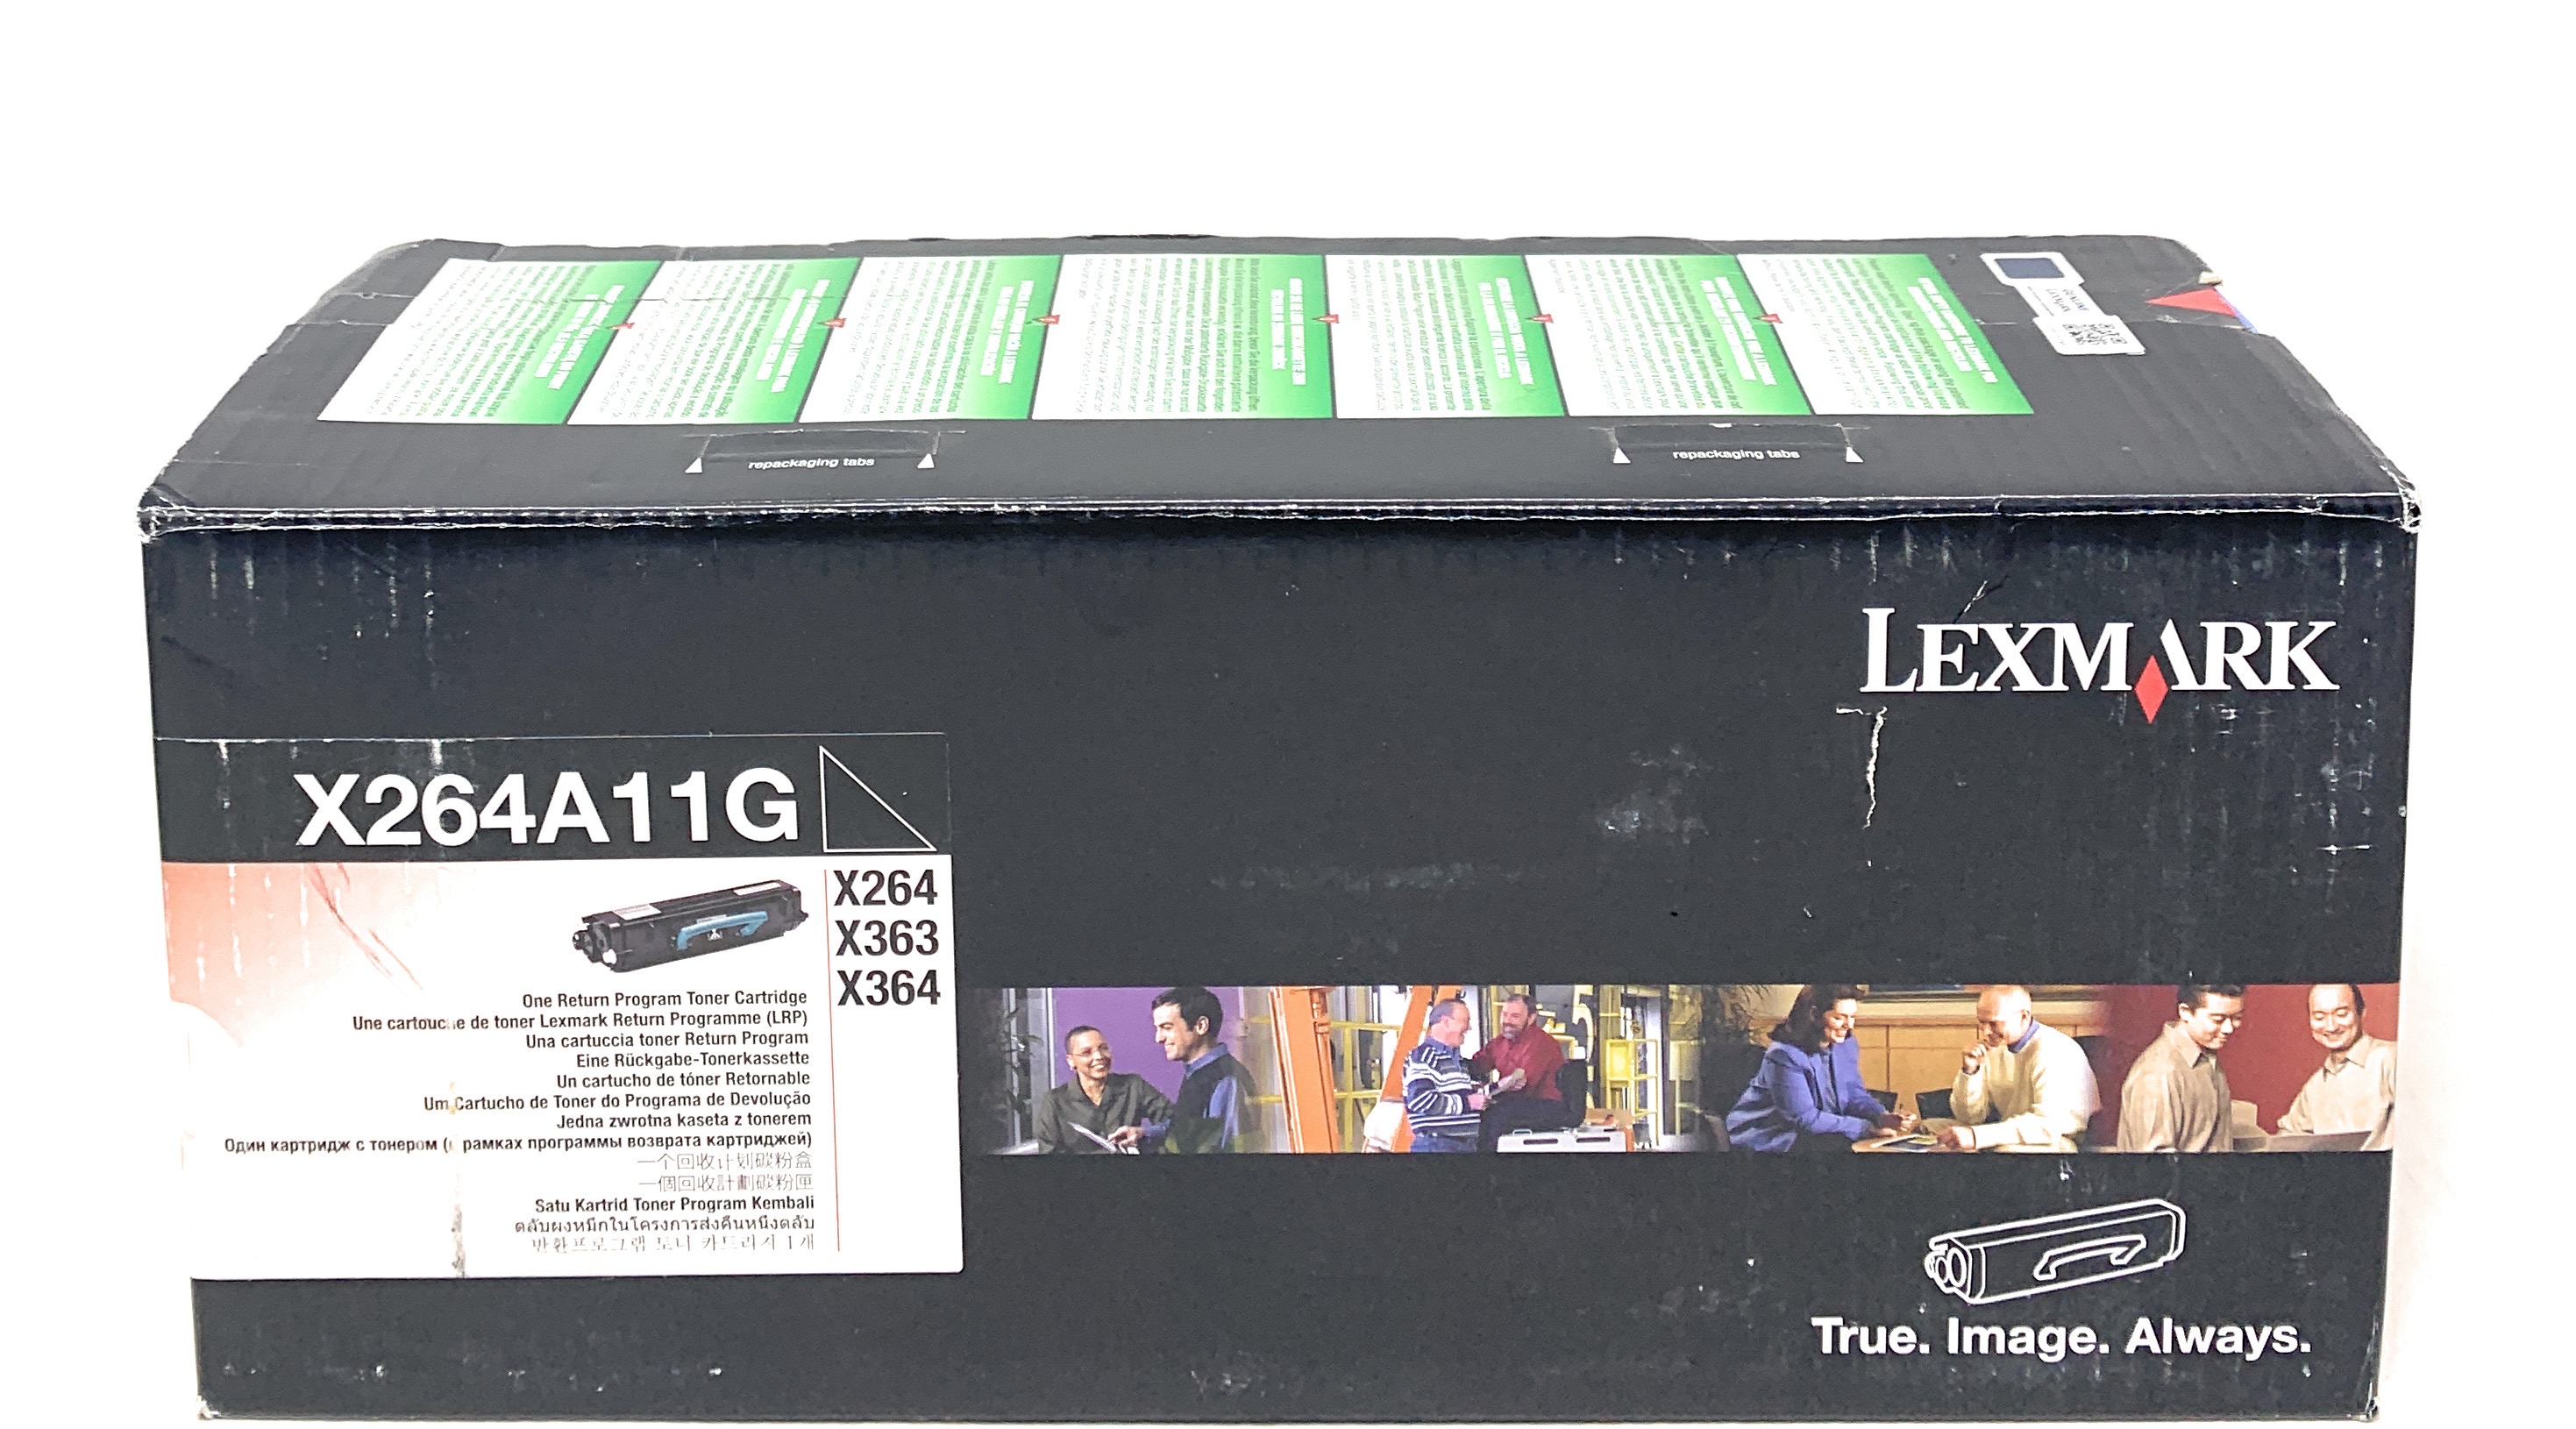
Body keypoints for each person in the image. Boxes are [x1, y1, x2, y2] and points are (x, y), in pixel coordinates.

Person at [1724, 985, 1911, 1154]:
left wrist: (1881, 1116)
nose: (1849, 1025)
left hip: (1819, 1133)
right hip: (1771, 1136)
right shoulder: (1783, 1055)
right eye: (1839, 1018)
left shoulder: (1846, 1045)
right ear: (1814, 1015)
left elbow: (1854, 1094)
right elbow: (1805, 1118)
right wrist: (1865, 1128)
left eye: (1853, 1017)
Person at [1939, 985, 2100, 1152]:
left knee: (2005, 1152)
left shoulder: (2054, 1049)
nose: (1986, 1032)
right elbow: (1970, 1118)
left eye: (1994, 1023)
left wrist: (1977, 1136)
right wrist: (1970, 1072)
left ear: (2024, 1016)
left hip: (2058, 1140)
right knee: (1931, 1129)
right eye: (1982, 1022)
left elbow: (2048, 1125)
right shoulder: (1994, 1048)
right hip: (2013, 1133)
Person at [1108, 986, 1254, 1154]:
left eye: (1167, 1027)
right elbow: (1191, 1127)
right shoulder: (1200, 1072)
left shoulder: (1226, 1080)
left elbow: (1229, 1149)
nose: (1158, 1038)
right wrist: (1144, 1133)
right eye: (1158, 1028)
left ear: (1201, 1026)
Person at [2117, 983, 2245, 1152]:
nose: (2229, 1028)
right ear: (2185, 1012)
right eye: (2217, 1020)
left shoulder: (2206, 1055)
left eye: (2237, 1017)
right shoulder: (2158, 1074)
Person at [2275, 984, 2396, 1149]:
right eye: (2319, 1017)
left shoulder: (2390, 1059)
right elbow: (2287, 1138)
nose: (2331, 1026)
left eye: (2341, 1014)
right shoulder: (2315, 1086)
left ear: (2362, 1013)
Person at [1031, 1025, 1171, 1154]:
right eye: (1087, 1052)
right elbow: (1049, 1152)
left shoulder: (1133, 1085)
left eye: (1103, 1048)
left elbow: (1174, 1122)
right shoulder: (1055, 1101)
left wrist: (1144, 1133)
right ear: (1071, 1061)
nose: (1099, 1056)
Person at [1469, 992, 1576, 1150]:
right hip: (1515, 1102)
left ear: (1531, 1018)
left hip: (1546, 1104)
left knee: (1496, 1113)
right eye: (1504, 1014)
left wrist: (1488, 1093)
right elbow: (1478, 1065)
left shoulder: (1541, 1043)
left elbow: (1523, 1087)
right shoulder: (1499, 1042)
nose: (1507, 1021)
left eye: (1515, 1016)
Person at [1401, 998, 1489, 1152]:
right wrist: (1468, 1103)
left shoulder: (1457, 1061)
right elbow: (1420, 1099)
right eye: (1466, 1021)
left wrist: (1502, 1085)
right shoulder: (1424, 1056)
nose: (1469, 1028)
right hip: (1438, 1145)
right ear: (1446, 1022)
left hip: (1459, 1145)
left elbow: (1461, 1096)